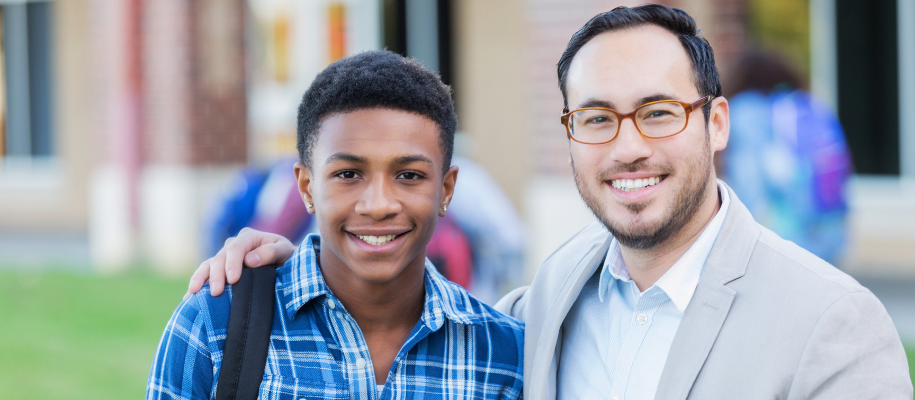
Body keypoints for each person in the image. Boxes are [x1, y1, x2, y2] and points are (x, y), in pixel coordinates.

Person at [188, 5, 913, 399]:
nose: (627, 148)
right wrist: (295, 258)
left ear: (714, 123)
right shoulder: (539, 313)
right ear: (569, 134)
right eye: (596, 118)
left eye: (657, 112)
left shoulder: (831, 323)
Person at [147, 50, 524, 399]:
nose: (378, 205)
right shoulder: (218, 325)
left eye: (409, 175)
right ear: (307, 188)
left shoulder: (503, 355)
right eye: (348, 173)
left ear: (446, 189)